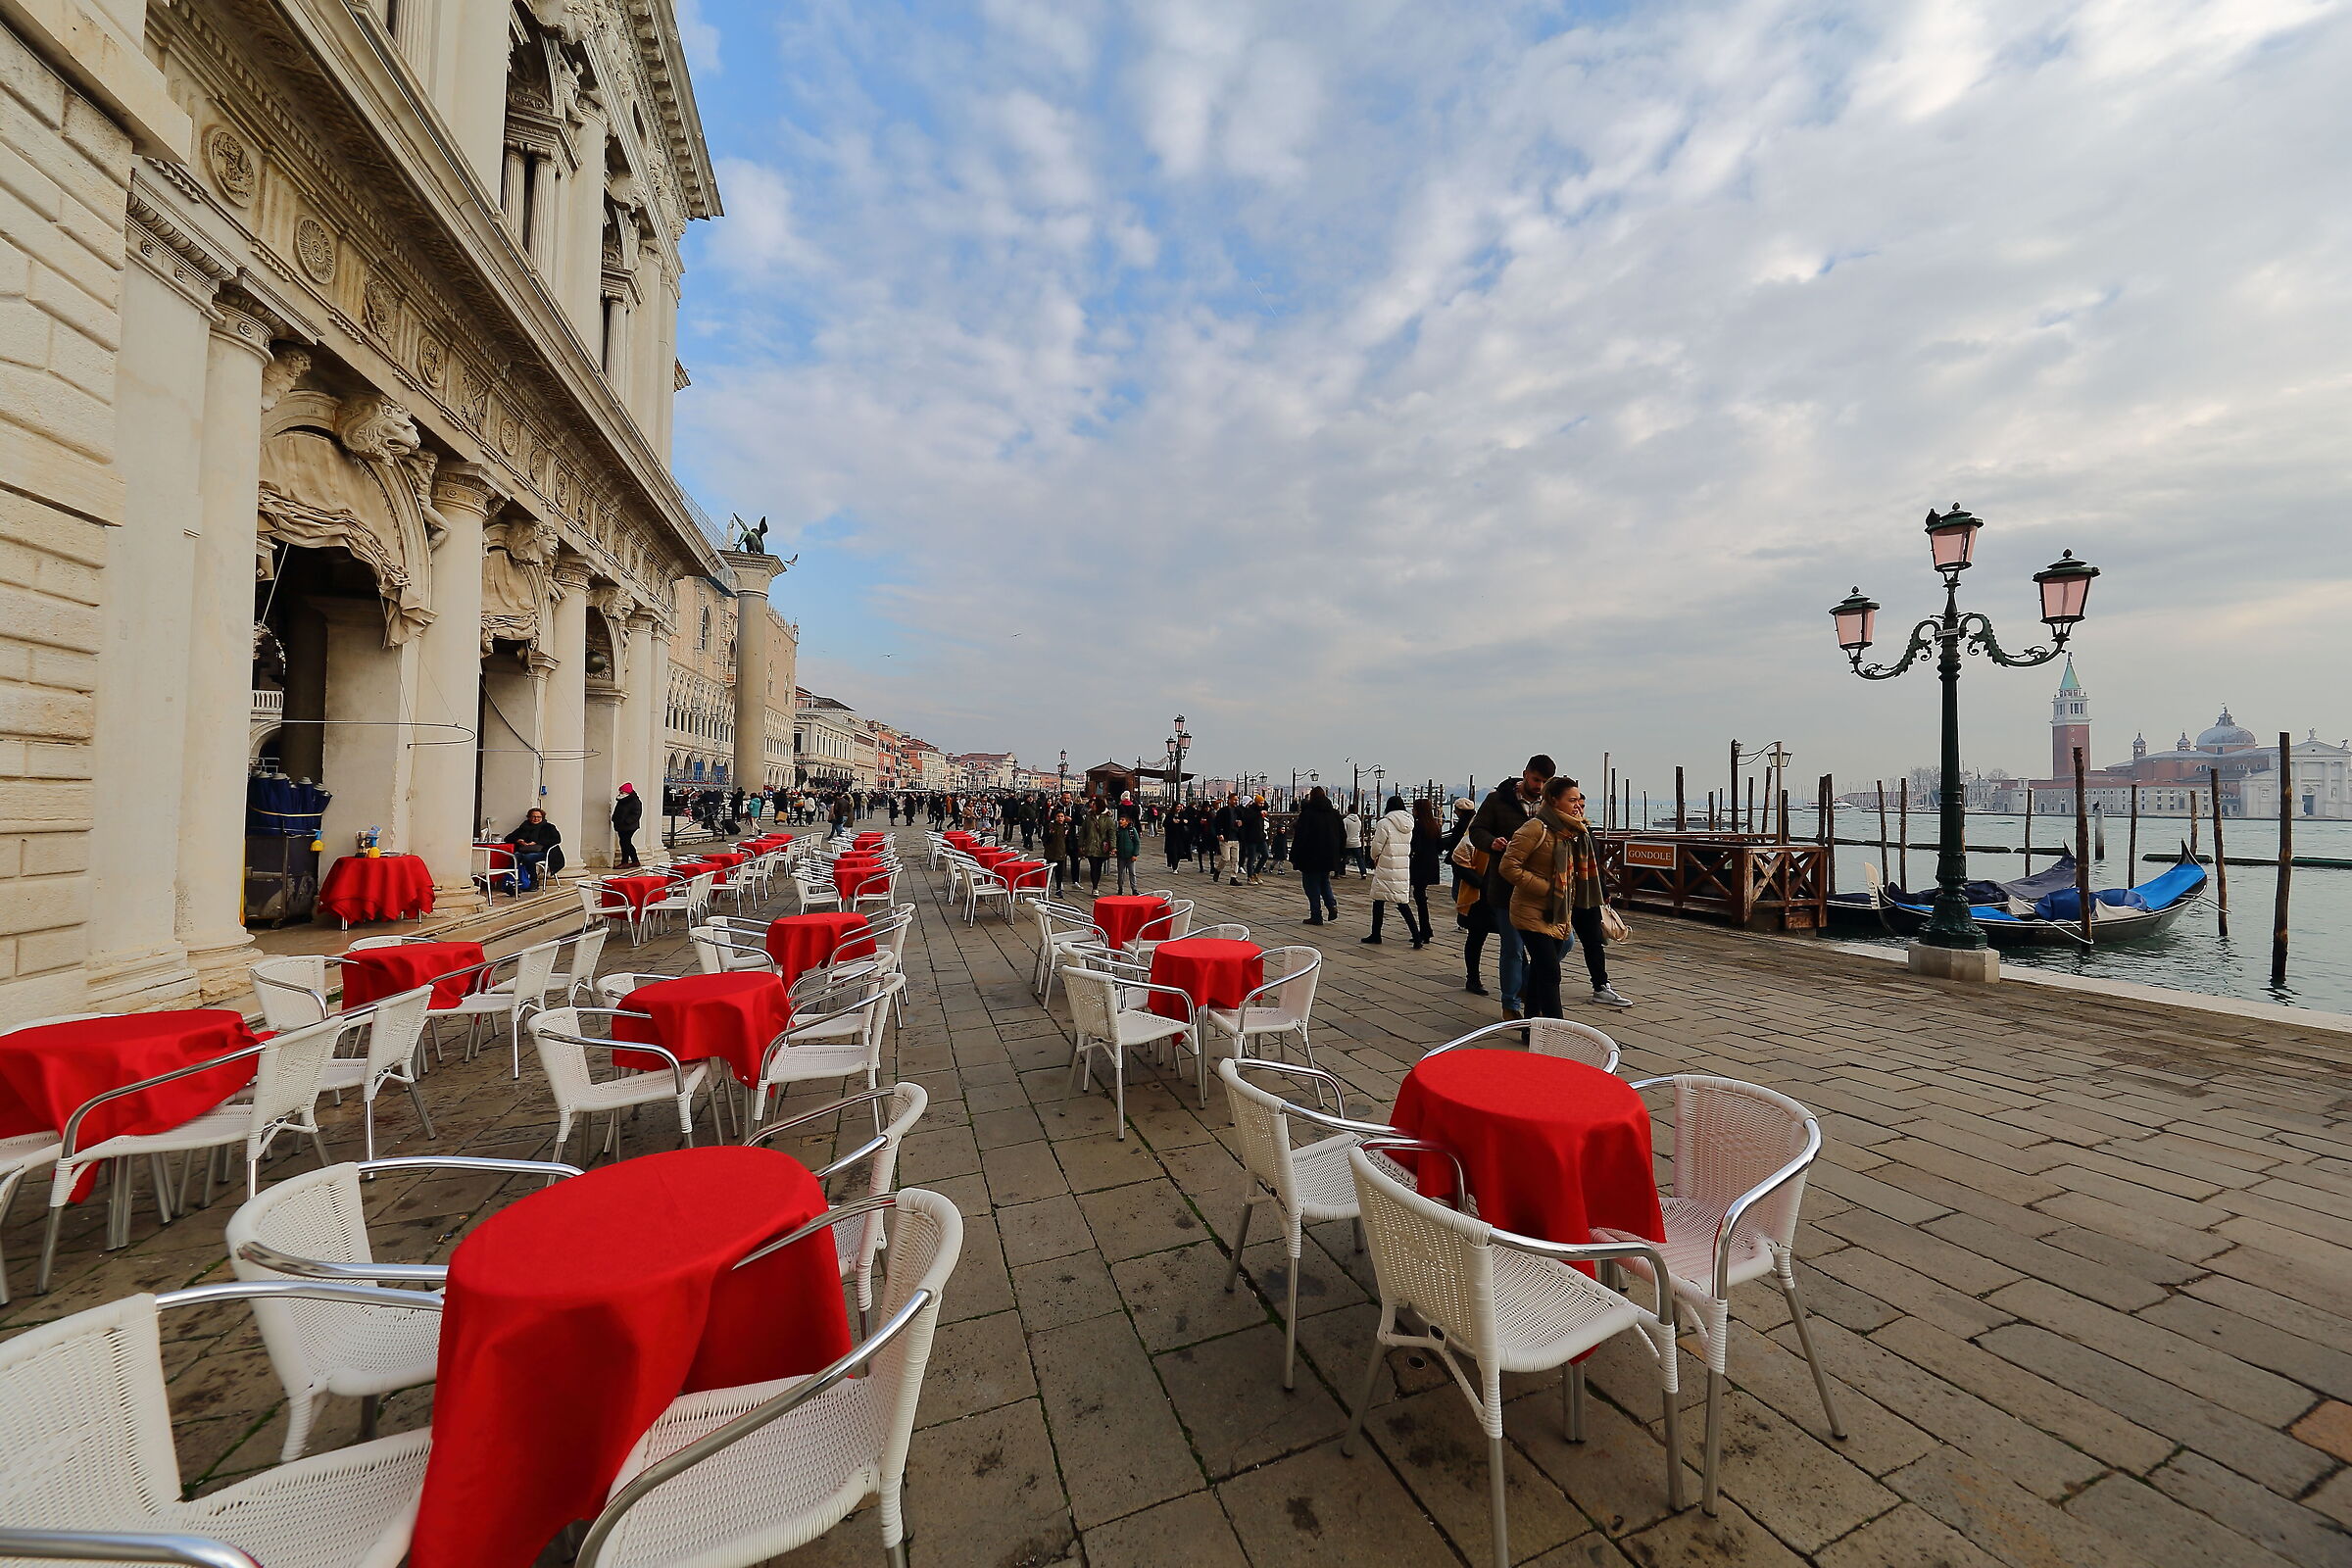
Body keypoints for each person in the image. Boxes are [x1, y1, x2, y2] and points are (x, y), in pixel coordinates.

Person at [1499, 774, 1630, 1016]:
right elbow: (1509, 867)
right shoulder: (1535, 828)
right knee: (1550, 972)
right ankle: (1555, 1030)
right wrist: (1547, 888)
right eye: (1572, 800)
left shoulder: (1577, 832)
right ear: (1553, 800)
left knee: (1540, 970)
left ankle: (1532, 1027)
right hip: (1531, 910)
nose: (1578, 805)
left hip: (1560, 912)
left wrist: (1596, 891)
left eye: (1580, 800)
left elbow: (1585, 871)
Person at [1469, 755, 1553, 1019]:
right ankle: (1511, 1005)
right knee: (1513, 948)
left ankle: (1526, 984)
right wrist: (1491, 842)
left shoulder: (1550, 804)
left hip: (1540, 889)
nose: (1539, 786)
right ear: (1525, 774)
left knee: (1564, 942)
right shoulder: (1497, 800)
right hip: (1505, 888)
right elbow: (1477, 830)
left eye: (1545, 781)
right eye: (1536, 779)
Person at [1444, 797, 1488, 994]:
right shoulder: (1476, 828)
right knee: (1477, 936)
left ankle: (1521, 983)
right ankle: (1473, 978)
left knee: (1513, 943)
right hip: (1480, 893)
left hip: (1500, 893)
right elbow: (1459, 856)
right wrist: (1480, 882)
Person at [1363, 795, 1420, 946]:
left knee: (1379, 901)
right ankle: (1417, 935)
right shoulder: (1409, 823)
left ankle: (1376, 934)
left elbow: (1376, 846)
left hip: (1386, 865)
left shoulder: (1384, 823)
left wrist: (1373, 856)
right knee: (1402, 902)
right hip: (1402, 866)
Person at [1290, 786, 1346, 924]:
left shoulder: (1307, 814)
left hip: (1310, 856)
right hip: (1329, 855)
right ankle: (1331, 905)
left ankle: (1316, 915)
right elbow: (1342, 835)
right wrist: (1340, 853)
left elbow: (1300, 837)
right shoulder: (1334, 813)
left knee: (1310, 884)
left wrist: (1295, 855)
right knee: (1324, 881)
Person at [1409, 796, 1444, 948]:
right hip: (1431, 864)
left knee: (1419, 898)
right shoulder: (1434, 826)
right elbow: (1439, 846)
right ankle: (1426, 930)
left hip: (1419, 865)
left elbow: (1415, 847)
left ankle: (1424, 931)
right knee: (1421, 897)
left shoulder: (1418, 826)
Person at [503, 808, 564, 890]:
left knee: (528, 858)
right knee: (515, 856)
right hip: (524, 850)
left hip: (543, 851)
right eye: (533, 816)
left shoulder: (549, 827)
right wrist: (519, 840)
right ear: (529, 817)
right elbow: (508, 838)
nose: (536, 819)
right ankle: (511, 881)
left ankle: (534, 881)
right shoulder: (524, 827)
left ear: (542, 818)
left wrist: (537, 842)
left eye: (538, 817)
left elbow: (557, 839)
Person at [611, 784, 642, 867]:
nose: (621, 792)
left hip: (629, 826)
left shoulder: (634, 801)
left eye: (622, 791)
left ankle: (625, 862)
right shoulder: (622, 799)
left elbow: (636, 813)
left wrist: (627, 821)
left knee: (625, 843)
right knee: (626, 843)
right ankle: (635, 861)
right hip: (621, 825)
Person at [1114, 802, 1142, 895]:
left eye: (1122, 820)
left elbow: (1137, 842)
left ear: (1127, 821)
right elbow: (1116, 841)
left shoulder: (1132, 830)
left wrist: (1135, 854)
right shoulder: (1118, 831)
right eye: (1120, 820)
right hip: (1121, 855)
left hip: (1130, 855)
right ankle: (1120, 887)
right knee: (1120, 873)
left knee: (1132, 873)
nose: (1120, 821)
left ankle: (1134, 888)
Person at [1341, 805, 1364, 877]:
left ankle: (1342, 872)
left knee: (1343, 858)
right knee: (1359, 859)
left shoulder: (1345, 820)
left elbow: (1343, 832)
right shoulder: (1359, 821)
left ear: (1348, 810)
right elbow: (1359, 831)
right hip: (1357, 842)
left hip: (1347, 842)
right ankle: (1363, 872)